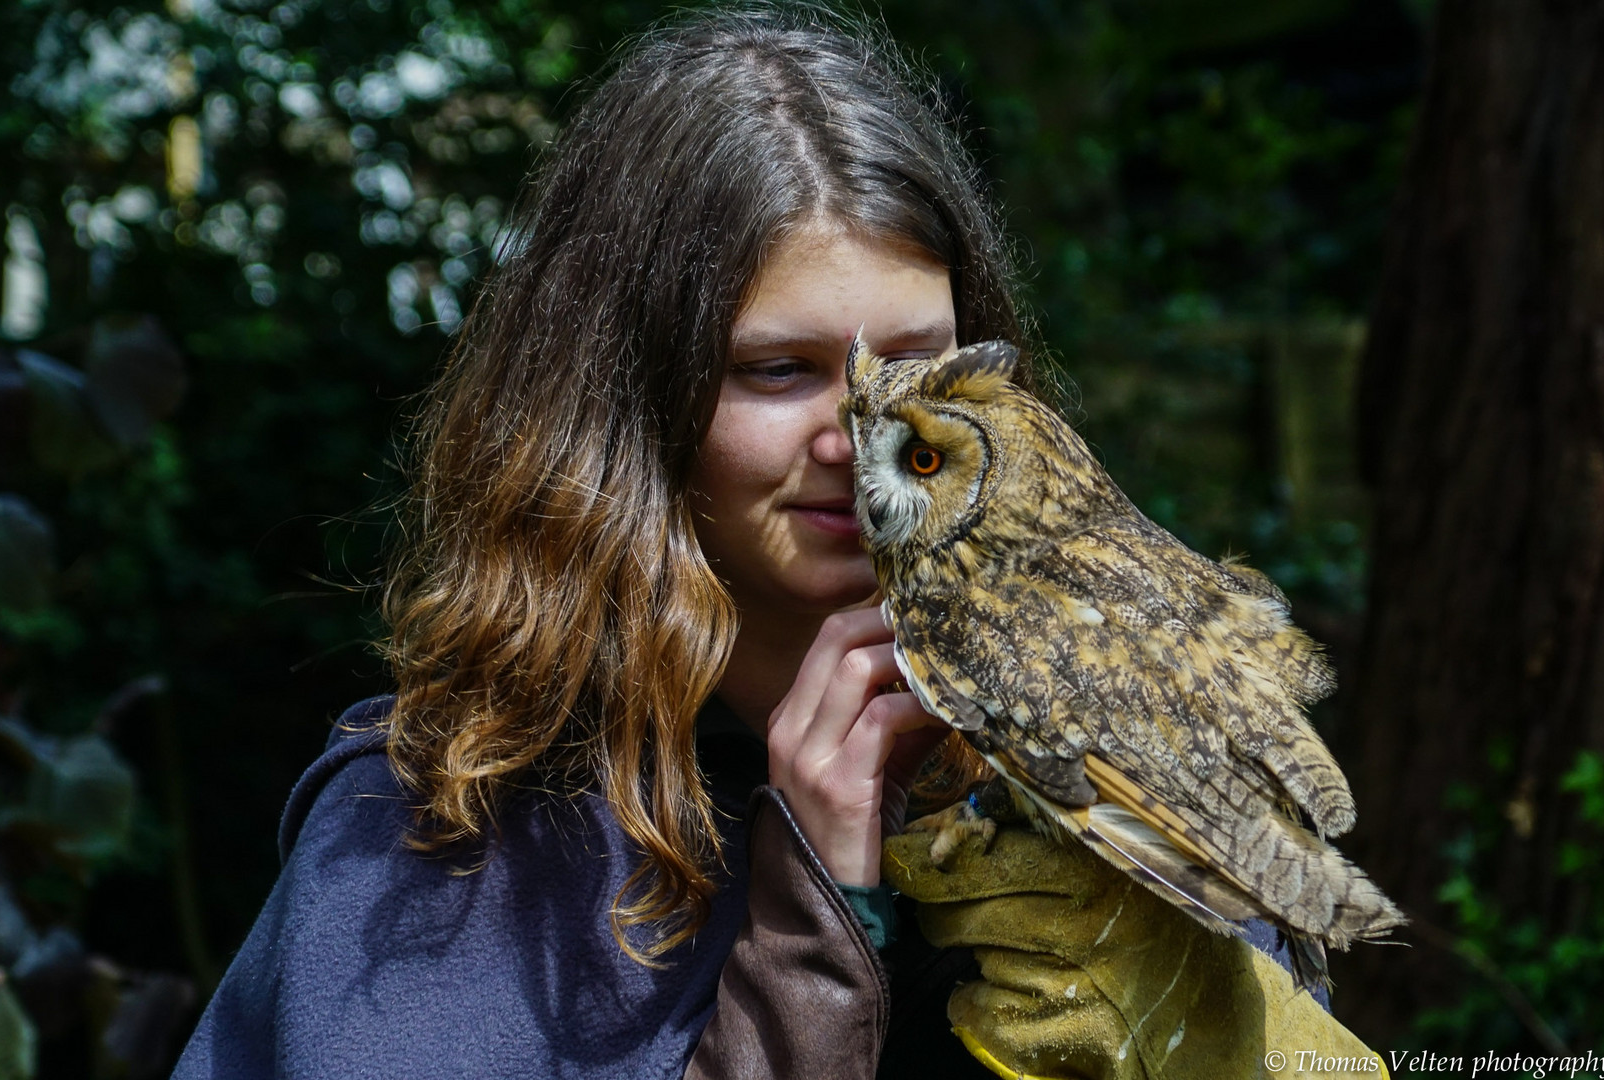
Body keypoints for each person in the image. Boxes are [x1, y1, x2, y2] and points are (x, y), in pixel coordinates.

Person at [171, 8, 1379, 1079]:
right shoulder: (446, 821)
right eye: (777, 371)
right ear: (627, 405)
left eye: (911, 372)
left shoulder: (1059, 711)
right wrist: (814, 921)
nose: (858, 438)